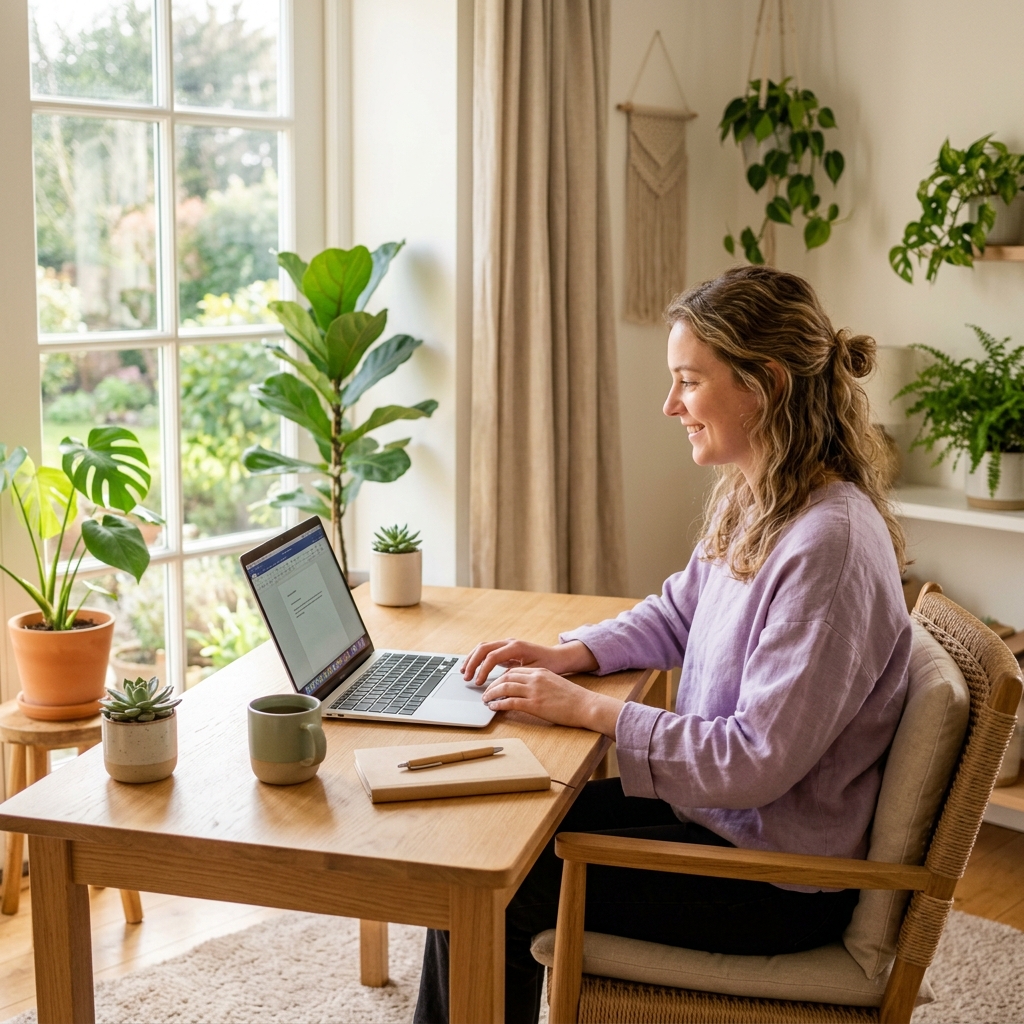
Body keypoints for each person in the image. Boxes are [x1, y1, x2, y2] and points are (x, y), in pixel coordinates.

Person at [412, 265, 912, 1024]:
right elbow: (682, 611)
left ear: (766, 383)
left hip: (773, 883)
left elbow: (754, 759)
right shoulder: (763, 493)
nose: (670, 404)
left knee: (488, 887)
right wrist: (568, 656)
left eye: (689, 381)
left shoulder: (828, 546)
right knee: (481, 854)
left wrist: (590, 712)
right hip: (719, 830)